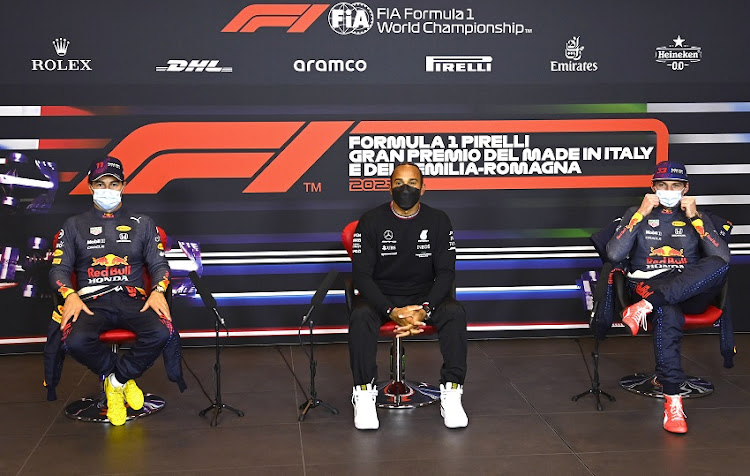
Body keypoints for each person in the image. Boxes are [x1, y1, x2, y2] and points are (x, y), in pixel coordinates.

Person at [606, 161, 730, 434]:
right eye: (662, 185)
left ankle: (648, 306)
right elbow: (614, 254)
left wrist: (696, 219)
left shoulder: (698, 215)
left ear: (686, 189)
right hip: (648, 283)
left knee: (719, 265)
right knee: (668, 310)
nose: (669, 190)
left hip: (689, 287)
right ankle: (673, 401)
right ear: (653, 188)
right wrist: (640, 213)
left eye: (675, 186)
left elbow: (721, 257)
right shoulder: (636, 213)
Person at [49, 157, 173, 426]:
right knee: (75, 341)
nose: (107, 189)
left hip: (133, 299)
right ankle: (118, 380)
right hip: (91, 301)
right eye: (100, 183)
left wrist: (158, 291)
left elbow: (159, 264)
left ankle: (116, 381)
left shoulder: (143, 222)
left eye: (113, 183)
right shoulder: (73, 225)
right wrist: (69, 294)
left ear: (123, 185)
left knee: (162, 331)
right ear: (91, 186)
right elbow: (58, 269)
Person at [348, 162, 468, 430]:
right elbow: (362, 276)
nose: (406, 188)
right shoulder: (371, 220)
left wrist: (423, 310)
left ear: (423, 188)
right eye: (399, 183)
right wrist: (392, 311)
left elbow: (446, 273)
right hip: (382, 297)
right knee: (360, 315)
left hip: (424, 297)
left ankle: (452, 392)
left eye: (412, 183)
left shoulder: (438, 220)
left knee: (455, 313)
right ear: (389, 186)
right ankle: (364, 394)